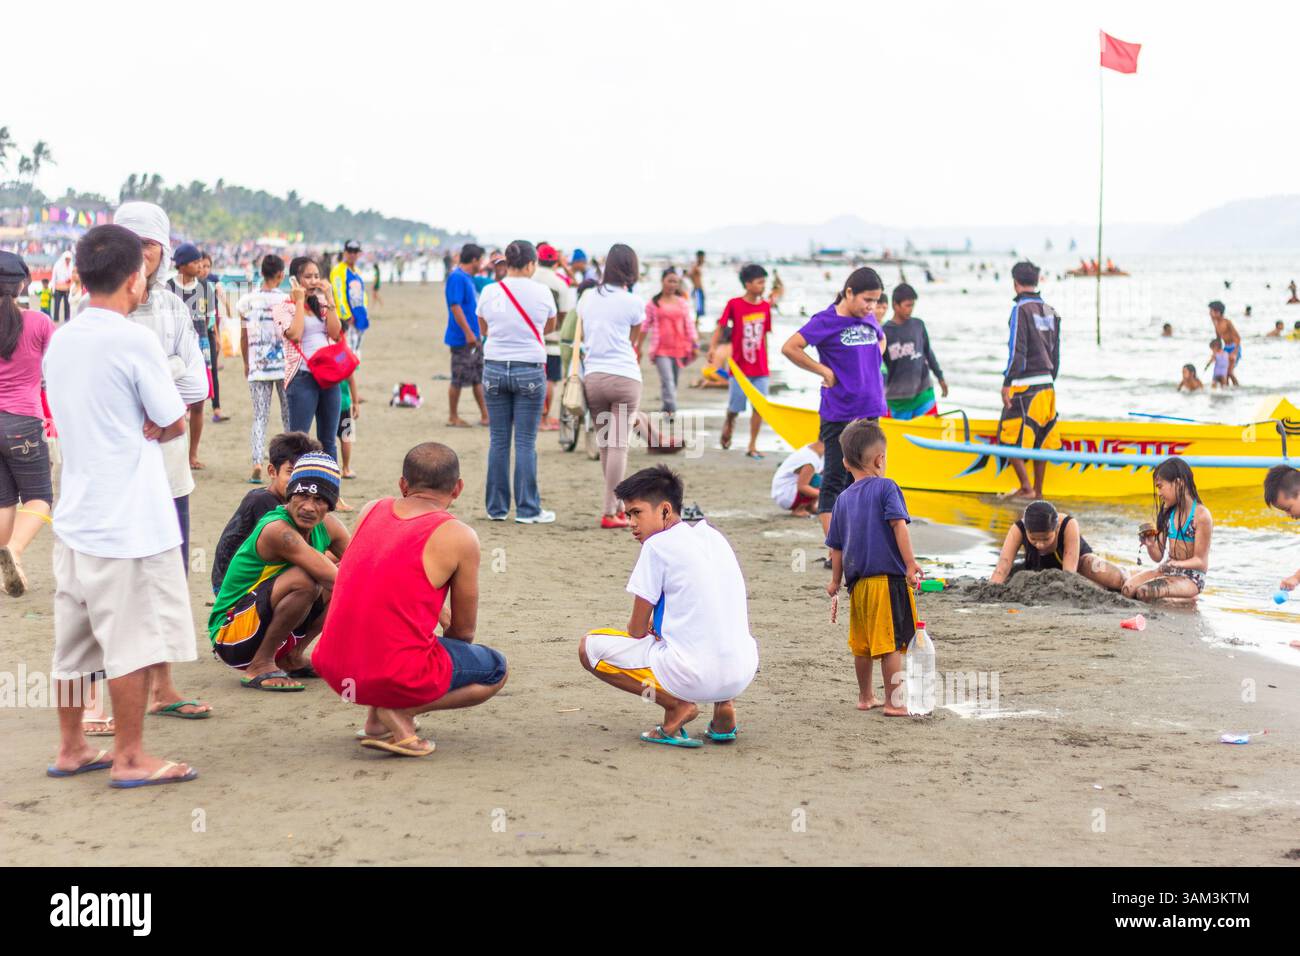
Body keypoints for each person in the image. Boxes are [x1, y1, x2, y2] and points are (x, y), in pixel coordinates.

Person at [43, 224, 198, 786]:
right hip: (127, 519)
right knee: (132, 640)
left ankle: (72, 746)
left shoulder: (63, 337)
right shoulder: (133, 339)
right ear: (136, 278)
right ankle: (131, 757)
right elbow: (174, 417)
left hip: (76, 514)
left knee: (73, 645)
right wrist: (157, 419)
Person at [313, 442, 508, 756]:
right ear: (457, 489)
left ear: (403, 485)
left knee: (392, 638)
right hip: (389, 671)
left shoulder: (371, 509)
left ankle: (376, 720)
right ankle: (401, 711)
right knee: (496, 669)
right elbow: (464, 631)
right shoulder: (459, 536)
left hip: (334, 664)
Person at [103, 201, 210, 722]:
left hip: (170, 471)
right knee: (118, 583)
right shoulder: (96, 309)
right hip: (119, 471)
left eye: (151, 244)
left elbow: (198, 383)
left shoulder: (173, 307)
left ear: (163, 250)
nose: (142, 254)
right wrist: (159, 383)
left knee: (168, 576)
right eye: (132, 242)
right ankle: (116, 694)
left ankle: (164, 686)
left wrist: (155, 378)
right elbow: (103, 388)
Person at [579, 465, 758, 747]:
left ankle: (676, 706)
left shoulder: (657, 546)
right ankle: (724, 708)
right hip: (742, 672)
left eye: (636, 513)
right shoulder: (713, 537)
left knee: (589, 648)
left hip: (694, 677)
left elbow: (636, 630)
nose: (631, 524)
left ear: (664, 510)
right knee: (715, 620)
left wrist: (652, 630)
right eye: (628, 515)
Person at [208, 453, 349, 690]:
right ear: (289, 494)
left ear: (331, 504)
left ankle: (291, 657)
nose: (308, 507)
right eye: (302, 495)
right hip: (232, 637)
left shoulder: (330, 526)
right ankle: (260, 665)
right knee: (308, 580)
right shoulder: (277, 529)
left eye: (319, 500)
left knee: (346, 572)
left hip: (263, 626)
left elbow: (362, 565)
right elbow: (334, 579)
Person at [780, 268, 888, 547]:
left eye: (876, 301)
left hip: (871, 409)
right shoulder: (825, 320)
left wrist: (870, 366)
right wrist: (823, 371)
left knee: (869, 478)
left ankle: (862, 540)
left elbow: (880, 339)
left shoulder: (868, 319)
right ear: (849, 292)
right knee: (835, 479)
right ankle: (836, 550)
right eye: (867, 300)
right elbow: (791, 347)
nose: (872, 307)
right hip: (840, 412)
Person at [823, 419, 922, 716]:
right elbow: (898, 526)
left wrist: (835, 581)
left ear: (844, 461)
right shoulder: (886, 488)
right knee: (889, 644)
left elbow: (836, 547)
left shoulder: (842, 499)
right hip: (886, 580)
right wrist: (910, 563)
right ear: (880, 459)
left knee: (863, 645)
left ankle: (866, 696)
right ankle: (894, 702)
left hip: (858, 585)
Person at [476, 239, 557, 523]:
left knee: (498, 440)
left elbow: (483, 327)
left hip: (495, 366)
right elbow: (550, 325)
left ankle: (496, 509)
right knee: (525, 441)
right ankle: (527, 509)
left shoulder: (489, 291)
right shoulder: (542, 291)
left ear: (507, 263)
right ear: (532, 263)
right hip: (529, 368)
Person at [579, 244, 646, 528]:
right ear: (631, 268)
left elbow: (583, 327)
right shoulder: (633, 301)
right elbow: (634, 339)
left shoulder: (586, 297)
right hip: (624, 376)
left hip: (593, 376)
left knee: (606, 445)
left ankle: (616, 507)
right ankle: (611, 511)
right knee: (618, 446)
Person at [0, 251, 55, 597]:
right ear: (23, 284)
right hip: (23, 420)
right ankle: (14, 552)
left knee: (3, 499)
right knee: (39, 497)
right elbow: (55, 373)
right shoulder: (39, 323)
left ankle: (10, 564)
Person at [210, 431, 321, 595]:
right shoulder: (262, 501)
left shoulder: (294, 504)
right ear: (272, 471)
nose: (298, 482)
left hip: (261, 576)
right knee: (308, 576)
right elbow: (299, 553)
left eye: (303, 474)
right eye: (291, 472)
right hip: (232, 588)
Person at [998, 260, 1062, 500]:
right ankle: (1038, 491)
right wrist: (1050, 377)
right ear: (1037, 282)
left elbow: (1017, 349)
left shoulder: (1020, 310)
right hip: (1047, 384)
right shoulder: (1050, 311)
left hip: (1026, 385)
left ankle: (1026, 486)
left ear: (1015, 284)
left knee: (1006, 437)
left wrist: (1007, 381)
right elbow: (1056, 352)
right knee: (1042, 439)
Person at [1122, 458, 1212, 602]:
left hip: (1191, 578)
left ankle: (1190, 598)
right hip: (1168, 570)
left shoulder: (1201, 516)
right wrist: (1151, 544)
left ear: (1178, 483)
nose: (1158, 493)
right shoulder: (1167, 512)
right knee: (1128, 588)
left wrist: (1176, 564)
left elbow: (1200, 562)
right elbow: (1158, 556)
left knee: (1144, 592)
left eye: (1160, 486)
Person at [708, 264, 773, 457]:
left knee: (760, 407)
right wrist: (712, 348)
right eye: (760, 282)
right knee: (736, 407)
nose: (763, 286)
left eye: (764, 282)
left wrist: (767, 361)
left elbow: (765, 336)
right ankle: (730, 420)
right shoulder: (734, 304)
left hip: (760, 369)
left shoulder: (765, 307)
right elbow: (721, 327)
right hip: (739, 368)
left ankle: (752, 445)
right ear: (748, 284)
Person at [284, 255, 345, 462]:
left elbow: (336, 333)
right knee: (299, 440)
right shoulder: (284, 306)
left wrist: (330, 299)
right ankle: (297, 487)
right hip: (302, 377)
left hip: (328, 377)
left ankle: (331, 490)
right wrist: (299, 301)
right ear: (295, 280)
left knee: (328, 440)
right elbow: (295, 334)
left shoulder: (321, 304)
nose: (313, 281)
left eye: (316, 276)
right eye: (307, 276)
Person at [989, 500, 1126, 590]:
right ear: (1026, 530)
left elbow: (1069, 574)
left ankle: (1128, 576)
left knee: (1110, 578)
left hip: (1079, 565)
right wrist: (990, 591)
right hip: (1039, 566)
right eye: (1033, 539)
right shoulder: (1018, 529)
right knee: (1012, 576)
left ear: (1057, 528)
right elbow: (1002, 568)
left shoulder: (1068, 524)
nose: (1040, 545)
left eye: (1046, 539)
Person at [237, 253, 290, 482]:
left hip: (259, 366)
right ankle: (290, 463)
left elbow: (243, 335)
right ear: (280, 275)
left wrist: (246, 362)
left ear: (261, 273)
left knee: (260, 417)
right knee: (289, 416)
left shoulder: (247, 301)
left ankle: (257, 462)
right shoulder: (287, 300)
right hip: (284, 365)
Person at [167, 242, 217, 469]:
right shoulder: (167, 288)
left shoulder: (206, 288)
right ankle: (173, 454)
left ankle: (192, 455)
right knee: (172, 403)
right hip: (172, 352)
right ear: (182, 265)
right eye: (196, 262)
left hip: (200, 347)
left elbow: (206, 321)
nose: (200, 265)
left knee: (198, 404)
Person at [883, 283, 948, 420]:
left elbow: (928, 353)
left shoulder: (918, 325)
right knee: (900, 438)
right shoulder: (884, 332)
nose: (910, 309)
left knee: (928, 433)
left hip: (923, 393)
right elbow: (876, 367)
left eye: (912, 305)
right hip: (897, 399)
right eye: (907, 305)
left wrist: (940, 378)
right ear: (895, 305)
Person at [444, 243, 488, 427]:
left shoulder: (468, 278)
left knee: (478, 375)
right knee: (458, 378)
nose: (482, 264)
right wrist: (469, 333)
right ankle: (453, 416)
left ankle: (485, 415)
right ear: (474, 260)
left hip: (474, 336)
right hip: (462, 337)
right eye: (481, 260)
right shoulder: (457, 277)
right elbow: (455, 306)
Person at [643, 268, 697, 416]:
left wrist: (695, 343)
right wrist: (637, 345)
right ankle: (672, 409)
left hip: (680, 347)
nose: (672, 284)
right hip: (660, 349)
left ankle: (667, 407)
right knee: (667, 380)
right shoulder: (654, 303)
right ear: (662, 281)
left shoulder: (682, 302)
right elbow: (644, 325)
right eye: (670, 281)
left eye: (676, 282)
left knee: (673, 381)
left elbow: (689, 324)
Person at [534, 243, 576, 432]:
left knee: (535, 379)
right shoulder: (560, 283)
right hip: (552, 338)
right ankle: (544, 418)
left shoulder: (529, 277)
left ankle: (536, 418)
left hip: (531, 336)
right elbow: (565, 315)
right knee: (550, 379)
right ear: (555, 261)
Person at [197, 252, 230, 424]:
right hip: (194, 334)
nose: (203, 270)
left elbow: (212, 316)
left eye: (207, 266)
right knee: (195, 370)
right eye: (200, 266)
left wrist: (216, 336)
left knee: (213, 371)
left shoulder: (212, 283)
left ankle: (216, 409)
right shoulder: (188, 287)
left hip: (209, 331)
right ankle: (189, 408)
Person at [331, 240, 369, 355]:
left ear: (359, 254)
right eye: (350, 251)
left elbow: (362, 294)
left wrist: (364, 312)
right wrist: (346, 316)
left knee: (355, 354)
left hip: (359, 318)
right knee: (346, 355)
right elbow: (338, 294)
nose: (352, 254)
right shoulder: (338, 270)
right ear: (344, 253)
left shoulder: (357, 271)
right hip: (347, 320)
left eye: (355, 251)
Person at [771, 441, 824, 517]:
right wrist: (825, 494)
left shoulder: (811, 450)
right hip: (786, 495)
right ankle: (799, 509)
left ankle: (809, 506)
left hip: (783, 492)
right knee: (818, 480)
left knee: (821, 477)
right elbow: (803, 487)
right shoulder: (811, 459)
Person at [1209, 300, 1241, 386]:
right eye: (1210, 311)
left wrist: (1234, 352)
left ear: (1219, 312)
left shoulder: (1227, 322)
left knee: (1229, 372)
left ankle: (1237, 388)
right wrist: (1215, 352)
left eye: (1213, 311)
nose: (1211, 313)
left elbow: (1238, 338)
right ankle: (1226, 391)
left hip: (1234, 347)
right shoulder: (1216, 324)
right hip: (1226, 348)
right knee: (1224, 373)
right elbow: (1218, 340)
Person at [50, 249, 74, 323]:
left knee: (67, 306)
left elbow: (72, 277)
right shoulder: (57, 265)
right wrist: (52, 289)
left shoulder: (71, 266)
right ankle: (56, 319)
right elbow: (53, 278)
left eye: (69, 259)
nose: (68, 260)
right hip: (58, 289)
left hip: (67, 289)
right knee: (56, 305)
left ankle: (67, 320)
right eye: (67, 259)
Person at [687, 250, 706, 321]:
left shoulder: (698, 266)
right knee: (698, 309)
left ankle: (697, 325)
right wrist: (695, 284)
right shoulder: (695, 266)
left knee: (699, 309)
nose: (704, 259)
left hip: (699, 289)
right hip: (697, 289)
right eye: (703, 257)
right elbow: (689, 274)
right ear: (699, 257)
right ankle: (696, 326)